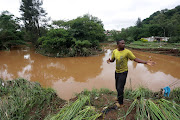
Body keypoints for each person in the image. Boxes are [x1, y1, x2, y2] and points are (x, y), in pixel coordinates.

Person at [107, 40, 156, 108]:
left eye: (124, 43)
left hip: (123, 72)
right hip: (117, 72)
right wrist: (109, 61)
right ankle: (118, 98)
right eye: (122, 43)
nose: (124, 44)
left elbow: (135, 59)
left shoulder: (127, 52)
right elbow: (113, 59)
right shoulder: (115, 51)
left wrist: (145, 62)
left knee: (120, 88)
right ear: (118, 44)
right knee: (117, 87)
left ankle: (121, 103)